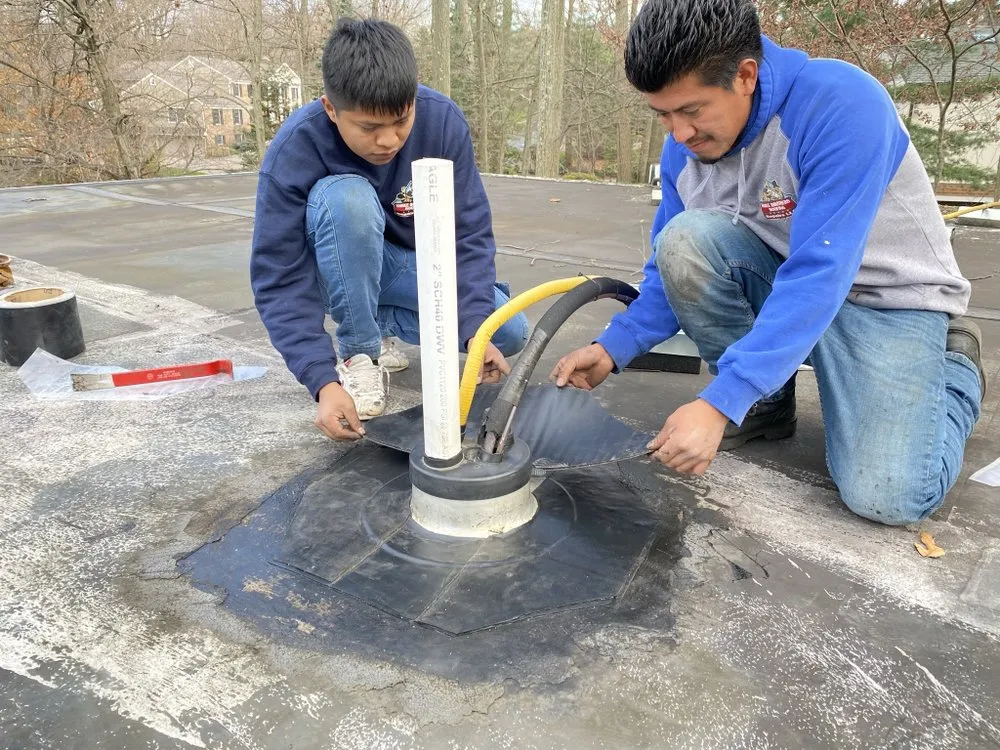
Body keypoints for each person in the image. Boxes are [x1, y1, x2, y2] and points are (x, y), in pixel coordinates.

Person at [551, 0, 985, 526]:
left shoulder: (840, 105)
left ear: (746, 76)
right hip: (784, 283)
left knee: (889, 496)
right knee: (684, 240)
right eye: (662, 114)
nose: (678, 133)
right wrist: (614, 347)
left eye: (691, 110)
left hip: (885, 300)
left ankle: (956, 369)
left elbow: (820, 271)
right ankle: (765, 404)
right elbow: (673, 261)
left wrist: (717, 401)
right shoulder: (684, 148)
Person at [250, 18, 528, 440]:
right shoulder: (296, 147)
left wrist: (474, 328)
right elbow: (279, 274)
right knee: (348, 199)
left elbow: (469, 232)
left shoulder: (442, 123)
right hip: (329, 267)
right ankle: (360, 353)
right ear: (330, 109)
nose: (389, 141)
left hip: (402, 265)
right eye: (369, 128)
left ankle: (376, 322)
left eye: (401, 120)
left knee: (507, 332)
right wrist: (321, 380)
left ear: (414, 94)